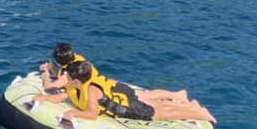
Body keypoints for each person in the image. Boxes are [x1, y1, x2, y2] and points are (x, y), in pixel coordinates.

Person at [37, 59, 215, 123]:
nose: (65, 78)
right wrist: (45, 99)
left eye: (68, 77)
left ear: (76, 80)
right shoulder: (75, 86)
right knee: (157, 107)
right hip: (121, 97)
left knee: (161, 114)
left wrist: (73, 113)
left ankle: (199, 113)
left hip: (125, 107)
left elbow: (92, 114)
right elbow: (63, 96)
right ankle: (190, 106)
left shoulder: (91, 89)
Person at [40, 42, 189, 103]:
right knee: (143, 96)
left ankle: (178, 95)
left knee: (143, 97)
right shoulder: (76, 60)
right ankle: (174, 96)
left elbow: (50, 87)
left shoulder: (70, 72)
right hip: (106, 85)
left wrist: (46, 74)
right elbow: (63, 74)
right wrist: (52, 68)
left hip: (107, 90)